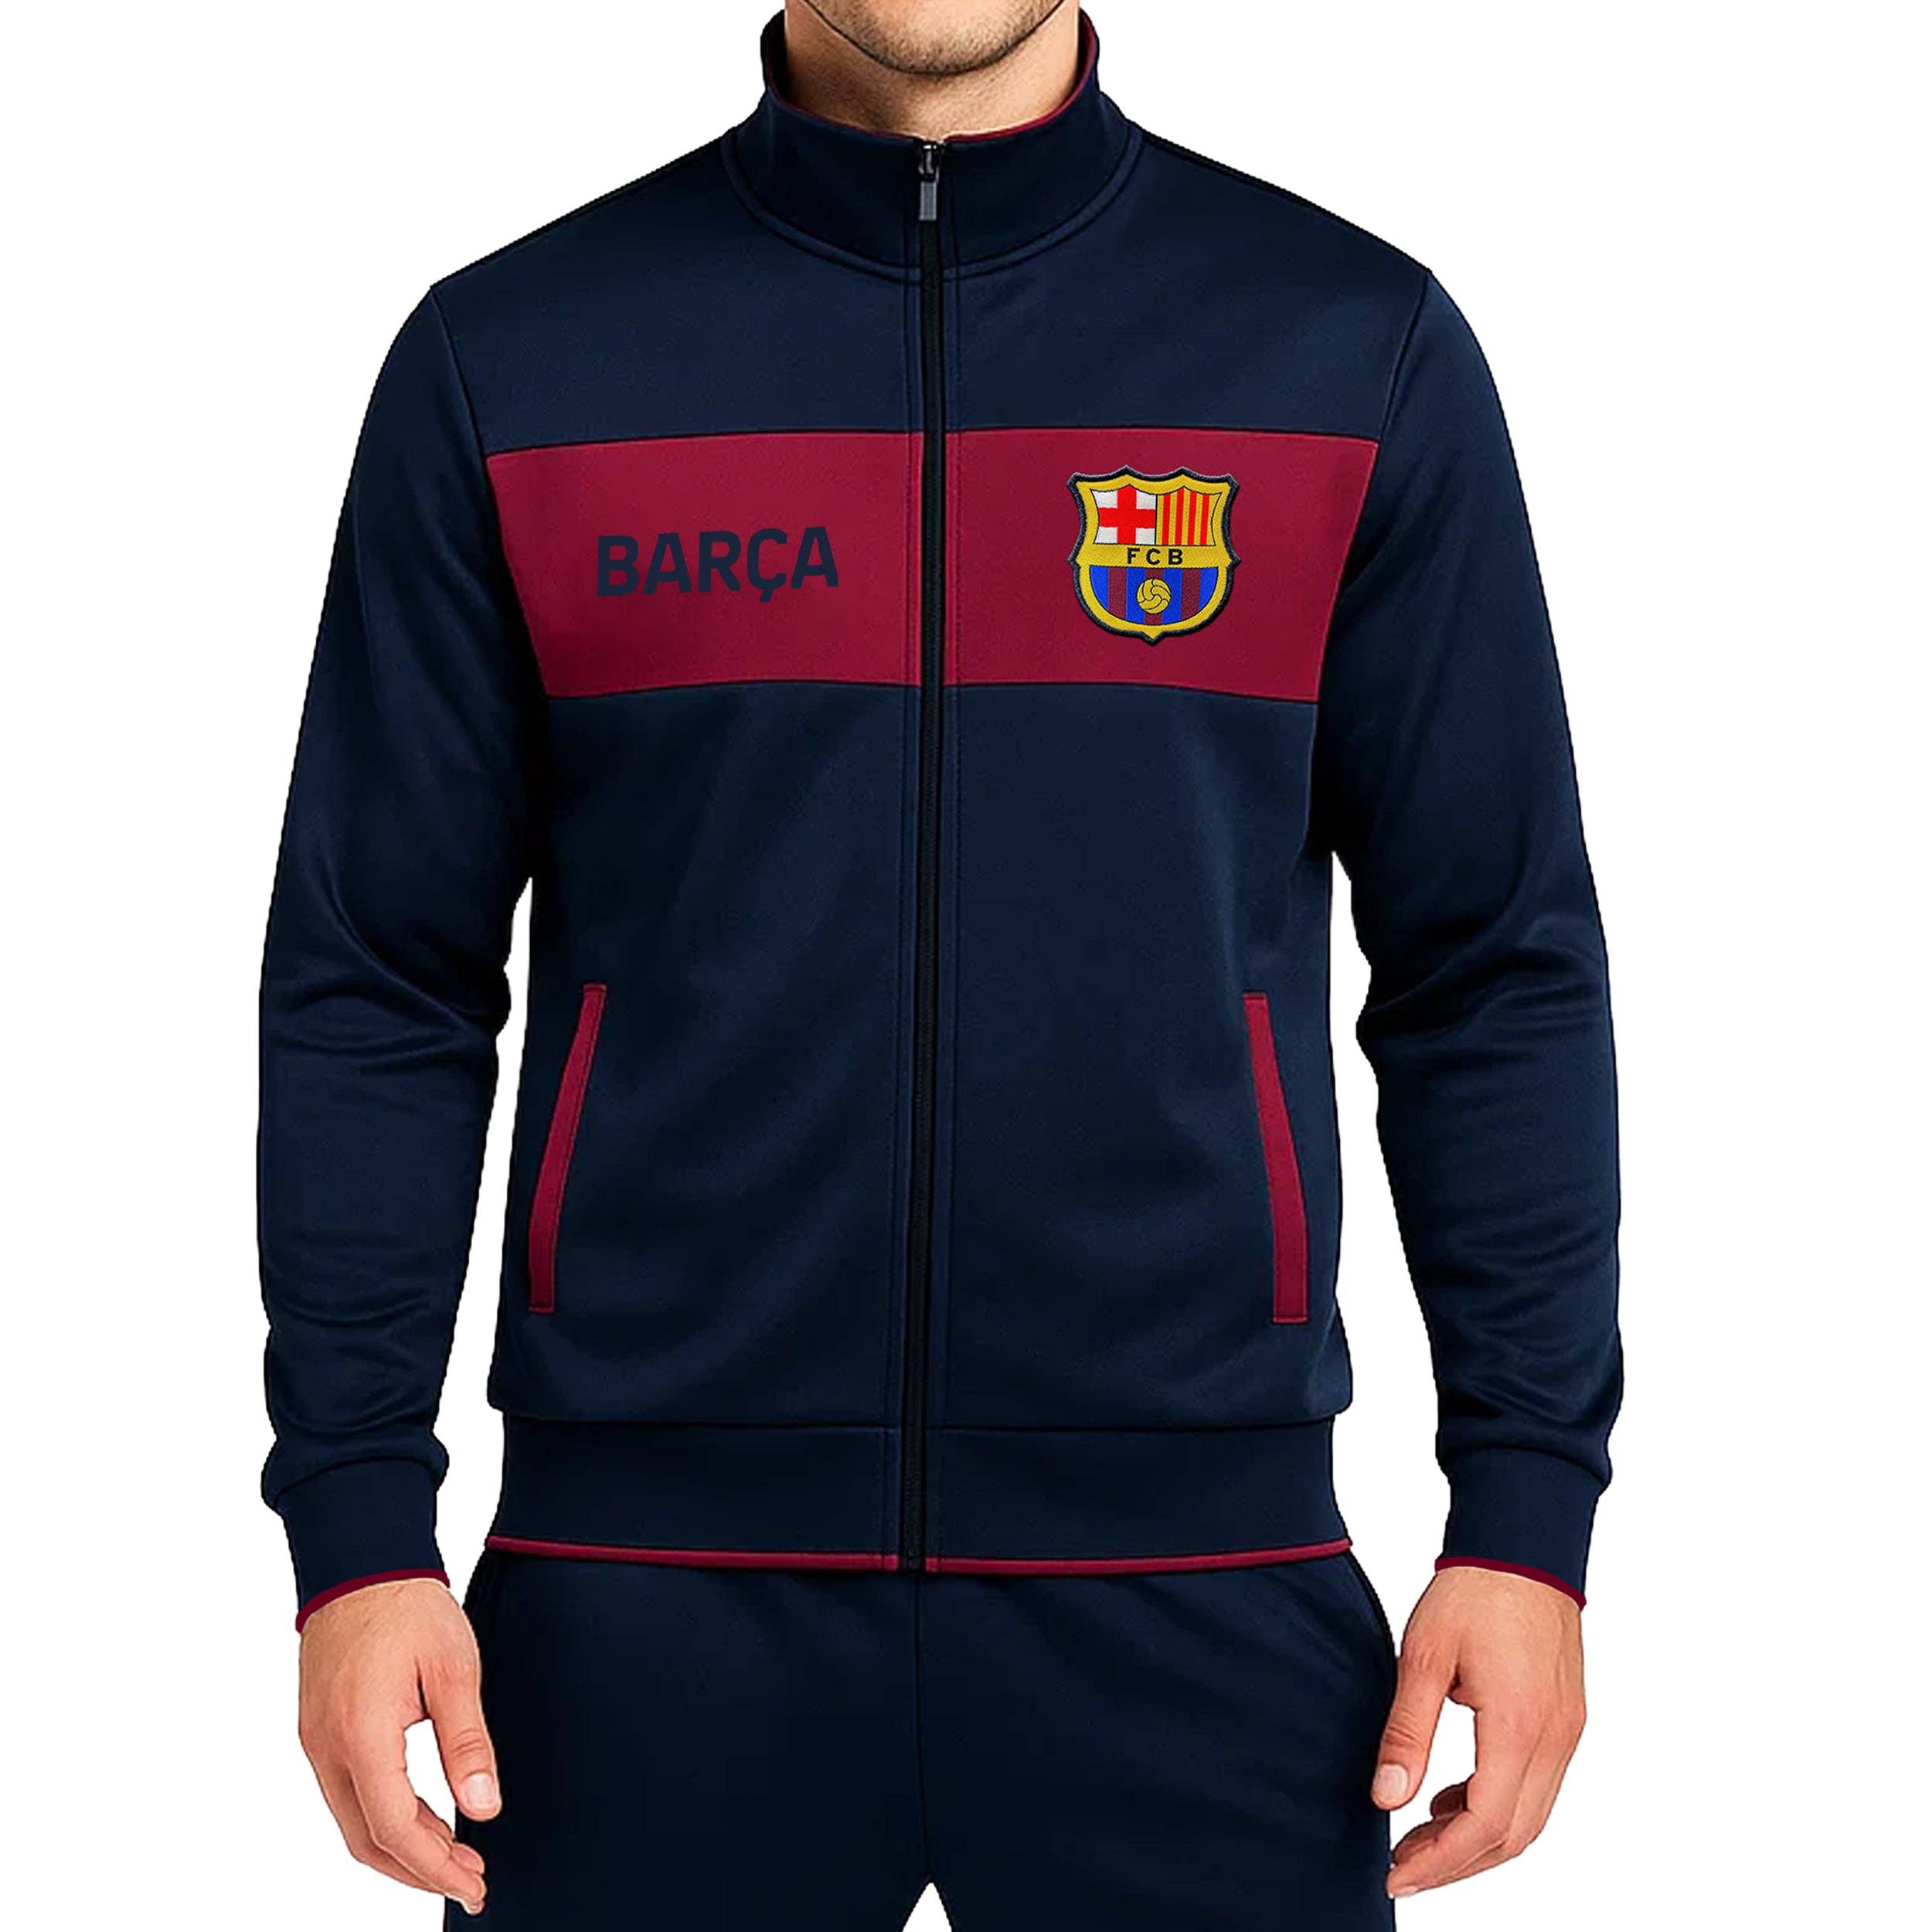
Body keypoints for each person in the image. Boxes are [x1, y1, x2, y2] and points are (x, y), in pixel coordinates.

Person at [261, 4, 1620, 1924]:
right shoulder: (519, 361)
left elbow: (1489, 965)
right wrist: (354, 1525)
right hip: (634, 1611)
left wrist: (1526, 1515)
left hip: (1199, 1592)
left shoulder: (1342, 352)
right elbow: (377, 979)